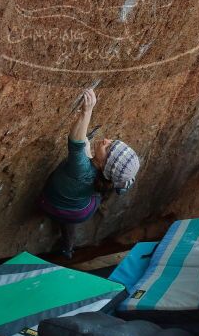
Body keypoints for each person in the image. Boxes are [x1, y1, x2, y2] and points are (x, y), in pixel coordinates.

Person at [38, 88, 140, 259]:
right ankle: (68, 250)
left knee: (66, 213)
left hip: (50, 203)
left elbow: (76, 142)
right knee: (69, 222)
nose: (107, 141)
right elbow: (123, 174)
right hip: (82, 212)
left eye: (108, 148)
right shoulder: (107, 175)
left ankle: (67, 246)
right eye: (113, 142)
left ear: (102, 164)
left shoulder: (82, 170)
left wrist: (88, 110)